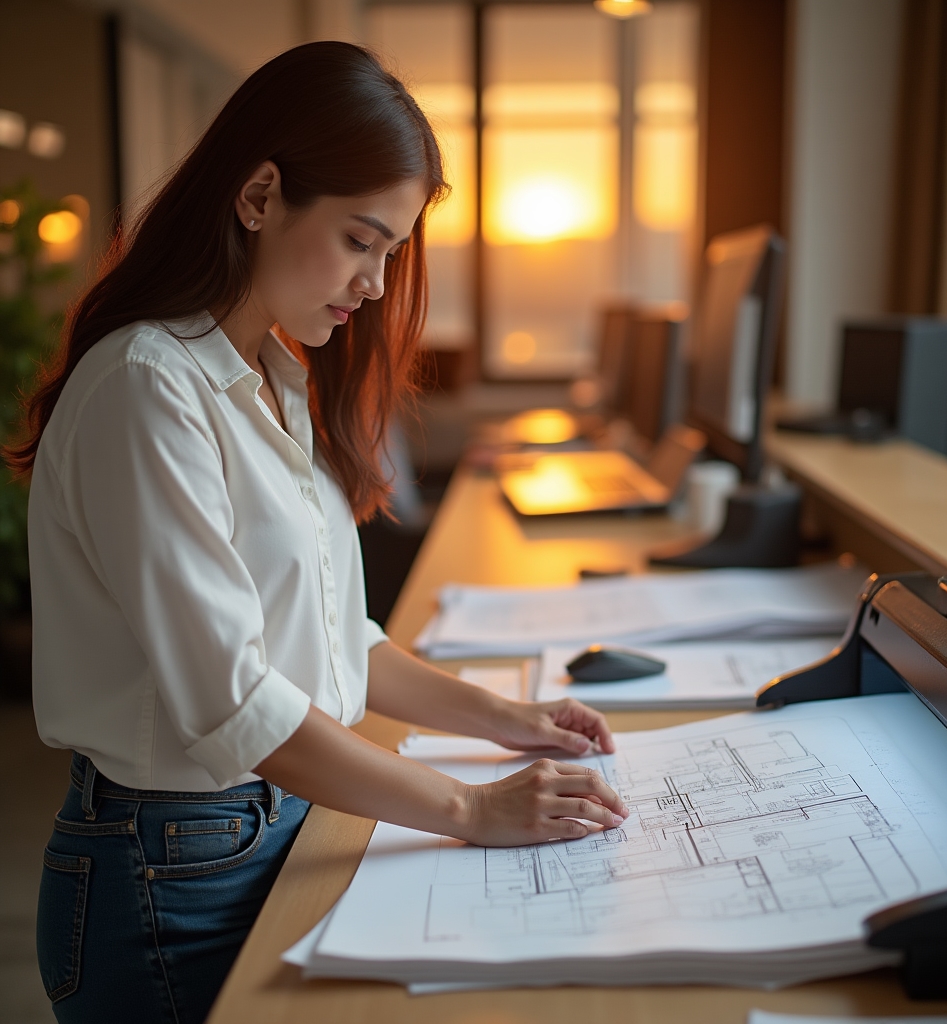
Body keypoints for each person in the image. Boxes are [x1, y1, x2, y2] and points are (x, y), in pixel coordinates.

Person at [7, 42, 627, 1024]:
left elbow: (340, 645)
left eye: (390, 252)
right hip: (172, 876)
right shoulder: (146, 388)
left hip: (270, 822)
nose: (377, 284)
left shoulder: (273, 378)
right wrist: (468, 808)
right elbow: (236, 704)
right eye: (360, 240)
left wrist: (509, 720)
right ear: (258, 197)